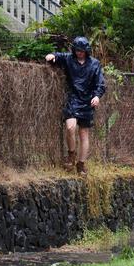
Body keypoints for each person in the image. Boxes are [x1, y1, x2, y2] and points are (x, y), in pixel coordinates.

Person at [45, 36, 106, 175]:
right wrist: (51, 55)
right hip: (73, 99)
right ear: (74, 50)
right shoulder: (69, 59)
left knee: (84, 134)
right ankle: (71, 155)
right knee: (70, 127)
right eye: (77, 50)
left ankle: (81, 164)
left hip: (87, 101)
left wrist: (97, 96)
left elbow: (100, 83)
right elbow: (57, 55)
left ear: (87, 51)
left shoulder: (95, 64)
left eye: (82, 50)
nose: (79, 53)